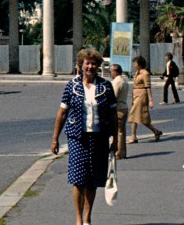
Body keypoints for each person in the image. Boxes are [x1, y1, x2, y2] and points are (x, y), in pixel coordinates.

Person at [51, 49, 118, 225]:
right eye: (87, 63)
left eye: (93, 63)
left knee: (93, 180)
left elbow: (113, 115)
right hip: (77, 138)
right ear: (81, 65)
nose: (90, 66)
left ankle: (88, 217)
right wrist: (55, 138)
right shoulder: (71, 86)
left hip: (99, 138)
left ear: (98, 66)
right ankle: (79, 219)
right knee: (78, 179)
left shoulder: (105, 86)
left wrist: (115, 139)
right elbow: (62, 113)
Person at [128, 55, 163, 143]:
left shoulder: (145, 73)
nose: (134, 65)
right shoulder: (137, 73)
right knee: (139, 117)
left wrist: (151, 100)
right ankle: (155, 131)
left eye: (135, 63)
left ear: (139, 64)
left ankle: (133, 136)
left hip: (142, 96)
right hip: (136, 95)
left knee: (134, 115)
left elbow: (148, 87)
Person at [109, 63, 130, 159]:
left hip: (118, 109)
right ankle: (123, 152)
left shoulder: (116, 82)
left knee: (118, 132)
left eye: (111, 71)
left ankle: (118, 152)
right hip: (124, 107)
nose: (110, 73)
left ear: (116, 71)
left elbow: (114, 96)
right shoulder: (124, 80)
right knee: (122, 131)